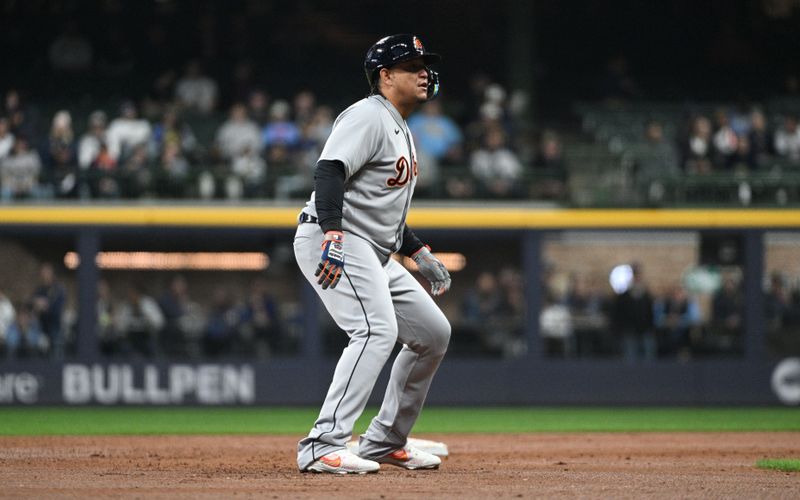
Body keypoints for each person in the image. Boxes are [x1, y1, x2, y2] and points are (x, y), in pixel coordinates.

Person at [294, 34, 451, 475]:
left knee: (433, 333)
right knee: (375, 330)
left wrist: (417, 250)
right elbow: (328, 172)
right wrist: (332, 233)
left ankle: (384, 441)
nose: (424, 72)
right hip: (338, 239)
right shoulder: (368, 115)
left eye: (425, 64)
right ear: (385, 76)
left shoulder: (400, 125)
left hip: (373, 247)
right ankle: (322, 444)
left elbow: (380, 208)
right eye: (411, 65)